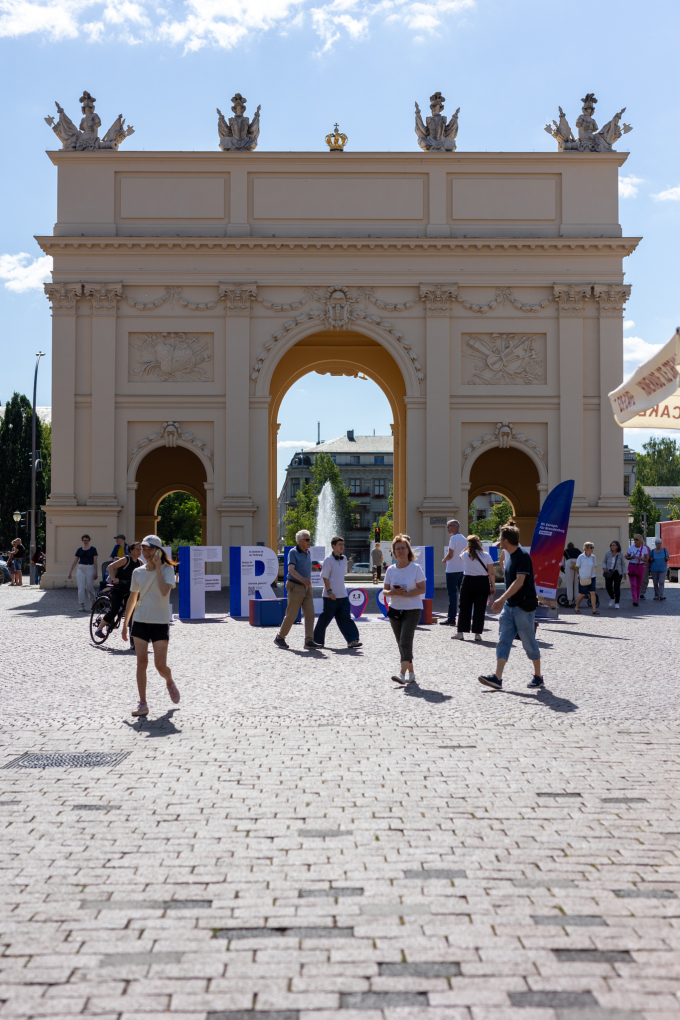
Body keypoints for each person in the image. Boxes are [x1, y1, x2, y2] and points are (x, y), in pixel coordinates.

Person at [478, 524, 543, 691]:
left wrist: (500, 599)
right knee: (503, 640)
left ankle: (538, 676)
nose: (499, 543)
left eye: (500, 539)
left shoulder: (522, 556)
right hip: (509, 606)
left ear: (506, 541)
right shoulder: (508, 555)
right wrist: (505, 602)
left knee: (528, 642)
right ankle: (497, 678)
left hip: (523, 606)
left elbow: (519, 582)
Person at [121, 535, 179, 717]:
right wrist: (125, 624)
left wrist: (158, 571)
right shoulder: (137, 572)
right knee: (141, 662)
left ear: (158, 551)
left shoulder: (168, 570)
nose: (146, 553)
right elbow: (132, 598)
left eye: (150, 549)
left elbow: (163, 592)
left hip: (159, 622)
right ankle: (143, 703)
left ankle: (169, 681)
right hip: (140, 621)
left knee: (160, 666)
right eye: (144, 549)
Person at [384, 534, 426, 686]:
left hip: (412, 608)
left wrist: (407, 593)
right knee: (401, 643)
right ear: (394, 552)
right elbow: (385, 590)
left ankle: (402, 674)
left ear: (408, 550)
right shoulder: (391, 570)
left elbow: (422, 588)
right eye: (397, 549)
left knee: (405, 641)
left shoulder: (415, 568)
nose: (400, 551)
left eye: (403, 548)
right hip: (395, 608)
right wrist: (393, 592)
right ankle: (412, 672)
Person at [313, 537, 362, 649]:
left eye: (342, 544)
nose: (342, 546)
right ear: (333, 546)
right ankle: (317, 641)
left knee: (345, 618)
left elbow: (342, 575)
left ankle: (352, 640)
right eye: (339, 544)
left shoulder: (344, 559)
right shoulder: (328, 559)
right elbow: (324, 577)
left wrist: (342, 592)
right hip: (331, 597)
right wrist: (330, 592)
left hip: (343, 595)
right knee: (325, 619)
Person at [274, 530, 320, 650]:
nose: (310, 541)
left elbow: (307, 570)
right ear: (300, 541)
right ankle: (280, 637)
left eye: (309, 539)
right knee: (292, 615)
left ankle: (309, 641)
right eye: (307, 539)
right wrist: (303, 580)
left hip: (306, 588)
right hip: (295, 586)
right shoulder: (293, 553)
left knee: (310, 614)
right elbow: (291, 570)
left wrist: (309, 585)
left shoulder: (308, 552)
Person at [452, 535, 495, 643]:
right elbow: (491, 572)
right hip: (482, 582)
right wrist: (493, 586)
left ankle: (460, 632)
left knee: (464, 607)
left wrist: (467, 547)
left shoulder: (466, 554)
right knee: (479, 609)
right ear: (478, 542)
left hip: (468, 581)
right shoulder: (486, 555)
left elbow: (460, 555)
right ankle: (477, 634)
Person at [95, 541, 143, 638]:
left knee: (133, 611)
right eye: (137, 549)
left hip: (130, 590)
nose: (139, 551)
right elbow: (110, 566)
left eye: (140, 549)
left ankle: (133, 635)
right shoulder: (126, 559)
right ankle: (99, 629)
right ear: (131, 550)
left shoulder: (140, 562)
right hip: (119, 588)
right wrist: (113, 579)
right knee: (114, 610)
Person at [441, 519, 467, 625]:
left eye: (448, 527)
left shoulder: (453, 538)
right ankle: (463, 617)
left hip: (452, 570)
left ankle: (451, 618)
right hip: (462, 569)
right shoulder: (465, 539)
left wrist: (444, 559)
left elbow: (450, 554)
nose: (447, 529)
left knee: (452, 594)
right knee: (462, 595)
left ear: (453, 526)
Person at [68, 535, 98, 610]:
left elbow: (95, 561)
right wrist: (70, 572)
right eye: (84, 540)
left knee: (89, 586)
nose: (85, 541)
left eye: (87, 540)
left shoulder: (93, 549)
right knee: (81, 587)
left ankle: (93, 602)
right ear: (82, 541)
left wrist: (96, 572)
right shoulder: (79, 550)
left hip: (90, 567)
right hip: (80, 567)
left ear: (89, 540)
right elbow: (75, 561)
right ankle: (82, 605)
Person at [574, 542, 599, 615]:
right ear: (586, 548)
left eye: (593, 547)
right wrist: (580, 575)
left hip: (592, 577)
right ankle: (577, 606)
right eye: (591, 547)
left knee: (593, 593)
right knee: (583, 594)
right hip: (583, 578)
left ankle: (594, 609)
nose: (592, 549)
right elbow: (577, 567)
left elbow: (594, 566)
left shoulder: (594, 557)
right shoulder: (580, 557)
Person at [625, 534, 649, 607]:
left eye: (636, 540)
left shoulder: (644, 548)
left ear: (640, 541)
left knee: (638, 585)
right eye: (634, 539)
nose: (634, 541)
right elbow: (626, 556)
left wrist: (640, 558)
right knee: (633, 584)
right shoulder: (631, 547)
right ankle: (634, 600)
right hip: (632, 566)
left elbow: (646, 559)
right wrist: (630, 557)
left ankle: (637, 599)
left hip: (640, 567)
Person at [602, 540, 625, 609]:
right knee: (608, 587)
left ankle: (617, 603)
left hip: (617, 572)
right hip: (609, 571)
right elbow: (604, 561)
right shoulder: (608, 553)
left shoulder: (621, 553)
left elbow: (623, 563)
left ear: (617, 546)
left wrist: (624, 573)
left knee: (616, 587)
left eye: (614, 545)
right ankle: (612, 597)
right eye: (611, 545)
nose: (612, 546)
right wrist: (604, 567)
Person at [562, 541, 580, 606]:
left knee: (569, 584)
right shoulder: (577, 550)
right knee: (576, 584)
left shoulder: (565, 551)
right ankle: (576, 601)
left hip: (569, 563)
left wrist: (564, 568)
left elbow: (562, 563)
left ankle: (570, 601)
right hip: (577, 564)